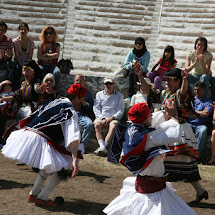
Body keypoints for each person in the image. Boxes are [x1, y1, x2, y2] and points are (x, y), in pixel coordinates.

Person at [2, 83, 86, 207]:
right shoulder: (70, 111)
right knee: (70, 159)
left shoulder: (53, 102)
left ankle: (34, 193)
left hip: (29, 133)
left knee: (53, 159)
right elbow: (73, 138)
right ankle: (42, 196)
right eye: (82, 99)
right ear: (76, 98)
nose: (83, 103)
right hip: (40, 138)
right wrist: (74, 160)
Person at [103, 103, 197, 215]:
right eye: (149, 115)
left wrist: (164, 112)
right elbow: (174, 134)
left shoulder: (133, 129)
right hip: (152, 192)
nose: (152, 115)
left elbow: (151, 119)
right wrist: (173, 116)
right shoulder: (147, 137)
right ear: (144, 119)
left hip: (147, 183)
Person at [161, 68, 208, 203]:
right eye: (166, 80)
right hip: (171, 129)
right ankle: (200, 190)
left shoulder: (181, 94)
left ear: (178, 81)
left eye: (170, 80)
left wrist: (186, 79)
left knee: (166, 163)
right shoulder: (166, 93)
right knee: (185, 164)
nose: (167, 83)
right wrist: (140, 75)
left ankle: (163, 194)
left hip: (179, 130)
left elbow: (183, 92)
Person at [93, 77, 124, 156]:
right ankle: (103, 147)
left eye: (110, 83)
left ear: (114, 85)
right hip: (101, 117)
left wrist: (112, 118)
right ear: (104, 84)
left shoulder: (119, 96)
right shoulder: (99, 94)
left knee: (113, 126)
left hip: (113, 117)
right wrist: (102, 118)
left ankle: (103, 147)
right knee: (97, 125)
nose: (108, 85)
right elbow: (96, 108)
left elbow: (120, 110)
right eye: (106, 83)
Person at [186, 82, 213, 160]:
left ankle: (197, 156)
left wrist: (192, 112)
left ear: (204, 90)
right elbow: (186, 113)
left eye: (199, 90)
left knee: (203, 130)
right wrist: (199, 113)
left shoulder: (208, 102)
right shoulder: (190, 100)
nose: (196, 92)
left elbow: (206, 113)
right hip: (190, 124)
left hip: (201, 125)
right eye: (195, 90)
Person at [73, 74, 94, 152]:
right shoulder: (70, 91)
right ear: (74, 82)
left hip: (82, 114)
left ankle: (82, 146)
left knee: (89, 124)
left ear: (84, 82)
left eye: (80, 80)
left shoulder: (88, 93)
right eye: (77, 80)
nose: (78, 82)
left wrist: (84, 103)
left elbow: (91, 108)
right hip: (71, 114)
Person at [37, 26, 61, 90]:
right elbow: (39, 56)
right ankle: (42, 89)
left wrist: (46, 55)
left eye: (50, 33)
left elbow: (57, 55)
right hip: (42, 64)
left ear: (54, 34)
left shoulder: (57, 45)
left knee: (57, 72)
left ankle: (53, 90)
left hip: (53, 65)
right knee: (40, 70)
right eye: (46, 33)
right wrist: (51, 57)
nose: (48, 35)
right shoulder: (40, 44)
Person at [13, 23, 34, 90]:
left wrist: (26, 65)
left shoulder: (31, 42)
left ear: (28, 30)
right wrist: (22, 65)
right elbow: (17, 55)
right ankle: (16, 88)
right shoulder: (15, 41)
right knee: (17, 68)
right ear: (19, 30)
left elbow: (30, 56)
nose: (23, 31)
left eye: (25, 29)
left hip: (27, 61)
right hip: (18, 61)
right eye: (21, 29)